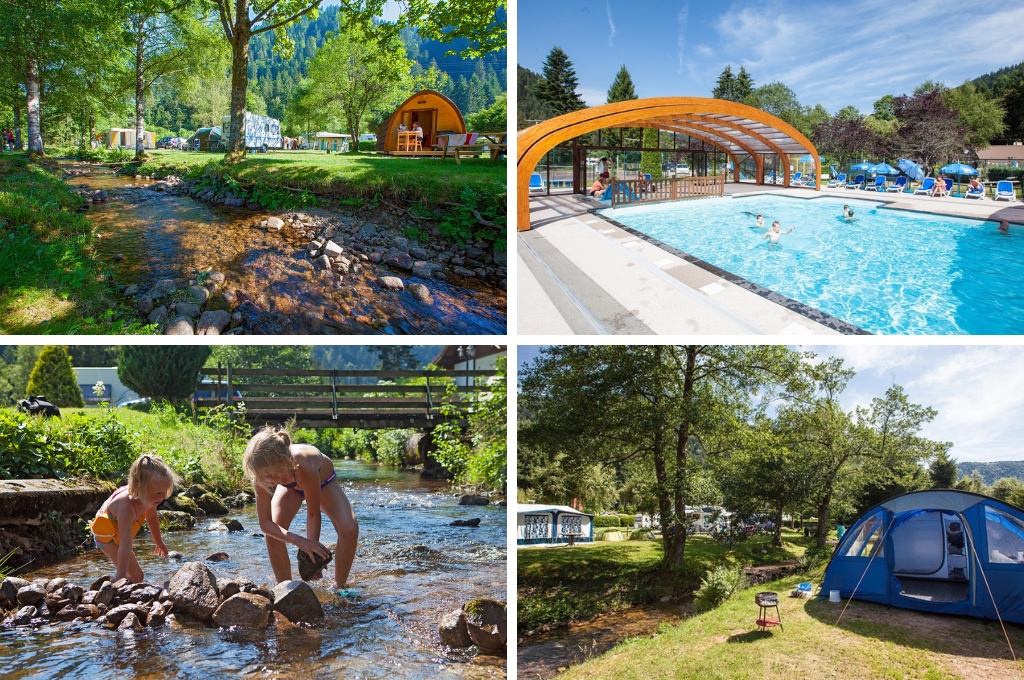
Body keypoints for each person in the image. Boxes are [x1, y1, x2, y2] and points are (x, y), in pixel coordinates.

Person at [244, 427, 359, 594]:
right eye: (263, 475)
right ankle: (284, 590)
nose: (268, 480)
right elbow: (265, 523)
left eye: (271, 474)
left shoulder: (303, 464)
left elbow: (313, 513)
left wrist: (313, 557)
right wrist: (299, 541)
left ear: (283, 461)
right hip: (291, 488)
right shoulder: (261, 473)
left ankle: (339, 587)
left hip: (323, 482)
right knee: (273, 535)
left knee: (349, 528)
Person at [90, 455, 175, 583]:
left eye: (165, 491)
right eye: (158, 492)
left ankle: (124, 585)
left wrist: (158, 541)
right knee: (137, 577)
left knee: (136, 577)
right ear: (138, 486)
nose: (163, 496)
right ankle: (114, 585)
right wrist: (121, 577)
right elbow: (125, 547)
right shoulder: (126, 508)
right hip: (107, 537)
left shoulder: (148, 498)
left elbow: (151, 516)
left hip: (119, 532)